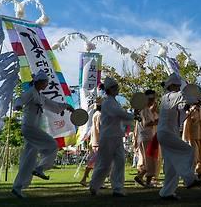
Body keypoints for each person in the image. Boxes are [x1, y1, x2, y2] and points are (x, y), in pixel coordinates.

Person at [12, 71, 74, 199]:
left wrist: (67, 106)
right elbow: (20, 99)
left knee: (28, 160)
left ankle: (17, 187)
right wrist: (18, 106)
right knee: (52, 145)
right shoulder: (30, 93)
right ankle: (40, 168)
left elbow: (54, 106)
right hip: (30, 128)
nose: (47, 84)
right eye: (46, 82)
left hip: (32, 129)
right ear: (39, 82)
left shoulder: (40, 96)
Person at [157, 73, 201, 200]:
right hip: (167, 133)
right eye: (177, 86)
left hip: (165, 133)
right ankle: (189, 178)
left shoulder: (166, 98)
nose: (179, 88)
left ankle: (166, 192)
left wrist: (189, 106)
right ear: (172, 85)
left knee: (170, 165)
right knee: (188, 150)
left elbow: (180, 109)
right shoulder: (172, 96)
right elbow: (185, 97)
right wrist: (196, 99)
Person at [89, 77, 137, 197]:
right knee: (104, 164)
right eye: (115, 87)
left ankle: (117, 188)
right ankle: (94, 186)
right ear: (110, 90)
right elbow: (119, 114)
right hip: (108, 137)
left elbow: (121, 118)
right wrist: (132, 115)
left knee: (120, 162)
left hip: (116, 136)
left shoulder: (114, 102)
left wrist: (132, 116)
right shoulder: (108, 103)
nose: (118, 89)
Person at [134, 89, 159, 188]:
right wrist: (158, 121)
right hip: (146, 137)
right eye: (153, 99)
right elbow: (146, 123)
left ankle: (140, 177)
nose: (154, 101)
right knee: (150, 160)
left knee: (148, 160)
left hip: (147, 137)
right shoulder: (144, 109)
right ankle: (147, 181)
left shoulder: (146, 109)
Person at [182, 101, 201, 178]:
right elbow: (186, 123)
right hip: (193, 138)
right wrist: (185, 139)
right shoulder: (190, 111)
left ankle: (198, 176)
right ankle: (189, 177)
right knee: (194, 158)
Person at [79, 97, 102, 187]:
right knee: (98, 163)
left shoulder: (96, 114)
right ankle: (95, 182)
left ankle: (85, 179)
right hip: (98, 141)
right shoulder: (99, 115)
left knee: (93, 162)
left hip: (94, 141)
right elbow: (100, 128)